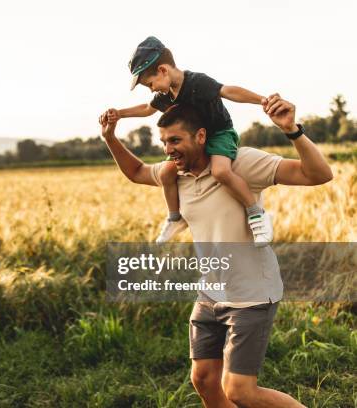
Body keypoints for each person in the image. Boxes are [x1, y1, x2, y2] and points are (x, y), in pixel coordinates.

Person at [100, 94, 333, 408]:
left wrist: (293, 130)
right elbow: (137, 171)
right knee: (205, 380)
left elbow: (318, 174)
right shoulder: (175, 174)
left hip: (251, 293)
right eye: (164, 142)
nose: (168, 149)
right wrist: (110, 137)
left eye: (175, 140)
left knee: (240, 391)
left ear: (201, 136)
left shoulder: (241, 163)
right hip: (210, 293)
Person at [99, 36, 273, 246]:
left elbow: (228, 91)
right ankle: (175, 218)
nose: (152, 89)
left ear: (163, 70)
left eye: (150, 84)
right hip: (194, 142)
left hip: (218, 133)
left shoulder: (196, 82)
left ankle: (256, 214)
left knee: (221, 171)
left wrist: (262, 100)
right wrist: (119, 113)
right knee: (166, 172)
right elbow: (147, 109)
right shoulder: (166, 94)